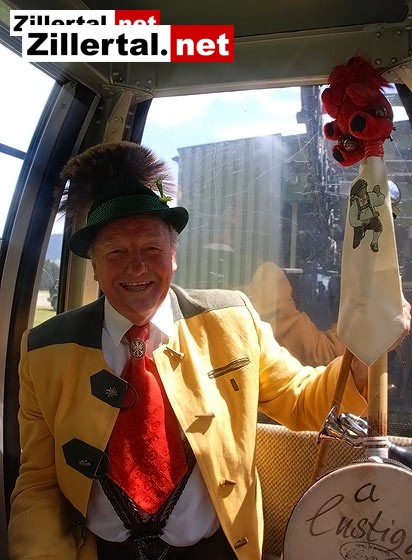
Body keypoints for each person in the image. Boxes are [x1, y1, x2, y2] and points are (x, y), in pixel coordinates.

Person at [8, 141, 410, 560]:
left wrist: (364, 358)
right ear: (94, 264)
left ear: (174, 255)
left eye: (151, 248)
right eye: (116, 251)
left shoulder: (232, 320)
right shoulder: (44, 351)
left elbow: (301, 400)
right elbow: (39, 482)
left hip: (217, 549)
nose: (137, 266)